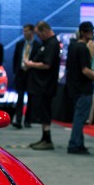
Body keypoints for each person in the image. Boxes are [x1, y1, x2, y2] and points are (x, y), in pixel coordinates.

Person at [24, 21, 61, 150]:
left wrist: (31, 64)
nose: (38, 37)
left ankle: (47, 139)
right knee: (43, 112)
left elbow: (47, 64)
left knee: (45, 111)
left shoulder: (52, 43)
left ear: (44, 31)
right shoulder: (46, 43)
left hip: (47, 85)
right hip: (41, 85)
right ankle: (44, 138)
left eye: (39, 34)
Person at [65, 21, 94, 155]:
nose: (93, 33)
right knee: (80, 118)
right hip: (84, 88)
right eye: (90, 31)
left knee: (78, 116)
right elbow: (85, 70)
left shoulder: (73, 46)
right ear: (83, 33)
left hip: (74, 87)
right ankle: (74, 144)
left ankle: (79, 143)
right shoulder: (83, 49)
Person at [11, 24, 40, 128]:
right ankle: (18, 120)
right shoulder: (19, 44)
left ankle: (28, 120)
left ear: (32, 32)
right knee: (20, 97)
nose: (24, 33)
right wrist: (15, 72)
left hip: (31, 74)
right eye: (23, 31)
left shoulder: (38, 45)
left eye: (26, 31)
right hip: (20, 73)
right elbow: (15, 59)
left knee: (31, 98)